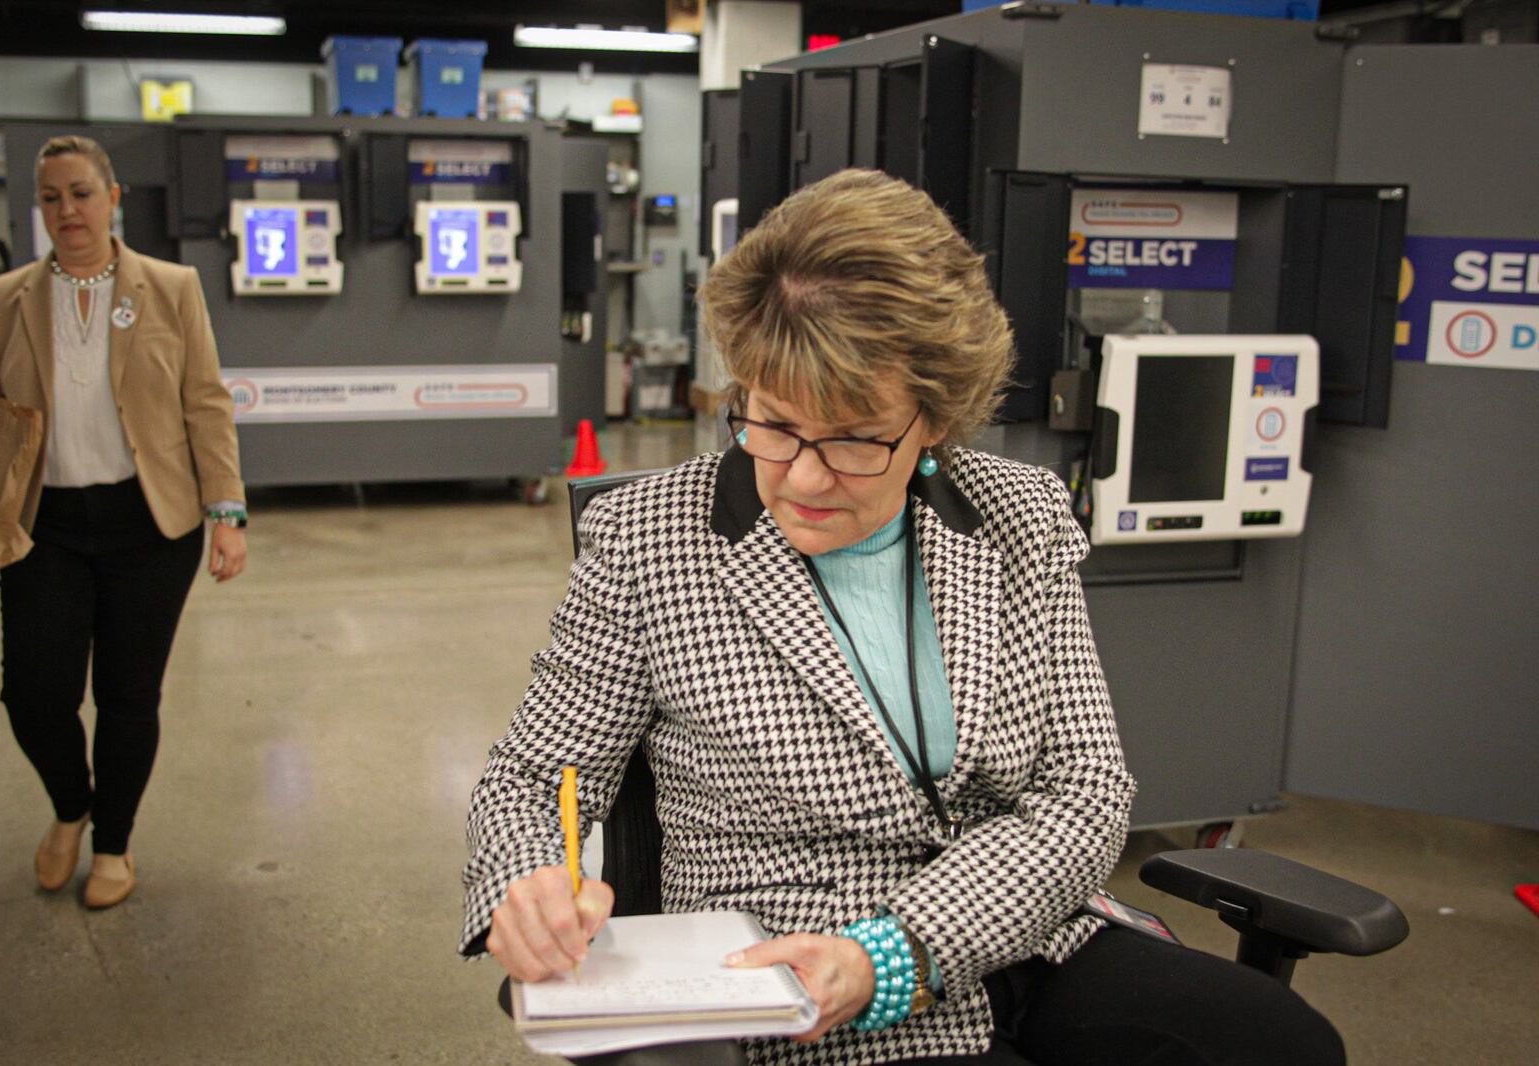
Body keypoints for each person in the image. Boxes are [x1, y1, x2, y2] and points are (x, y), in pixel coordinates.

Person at [459, 169, 1344, 1065]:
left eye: (852, 437)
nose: (802, 477)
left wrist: (899, 951)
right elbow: (532, 780)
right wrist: (528, 882)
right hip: (794, 978)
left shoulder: (1018, 514)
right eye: (770, 423)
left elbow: (1085, 791)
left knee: (1284, 1046)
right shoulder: (651, 539)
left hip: (1029, 931)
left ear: (938, 418)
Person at [0, 135, 247, 909]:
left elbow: (205, 401)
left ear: (113, 198)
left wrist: (227, 510)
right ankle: (71, 807)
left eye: (80, 193)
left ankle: (112, 841)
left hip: (149, 523)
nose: (66, 211)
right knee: (33, 696)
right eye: (51, 198)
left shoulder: (171, 287)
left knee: (126, 697)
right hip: (44, 523)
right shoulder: (6, 296)